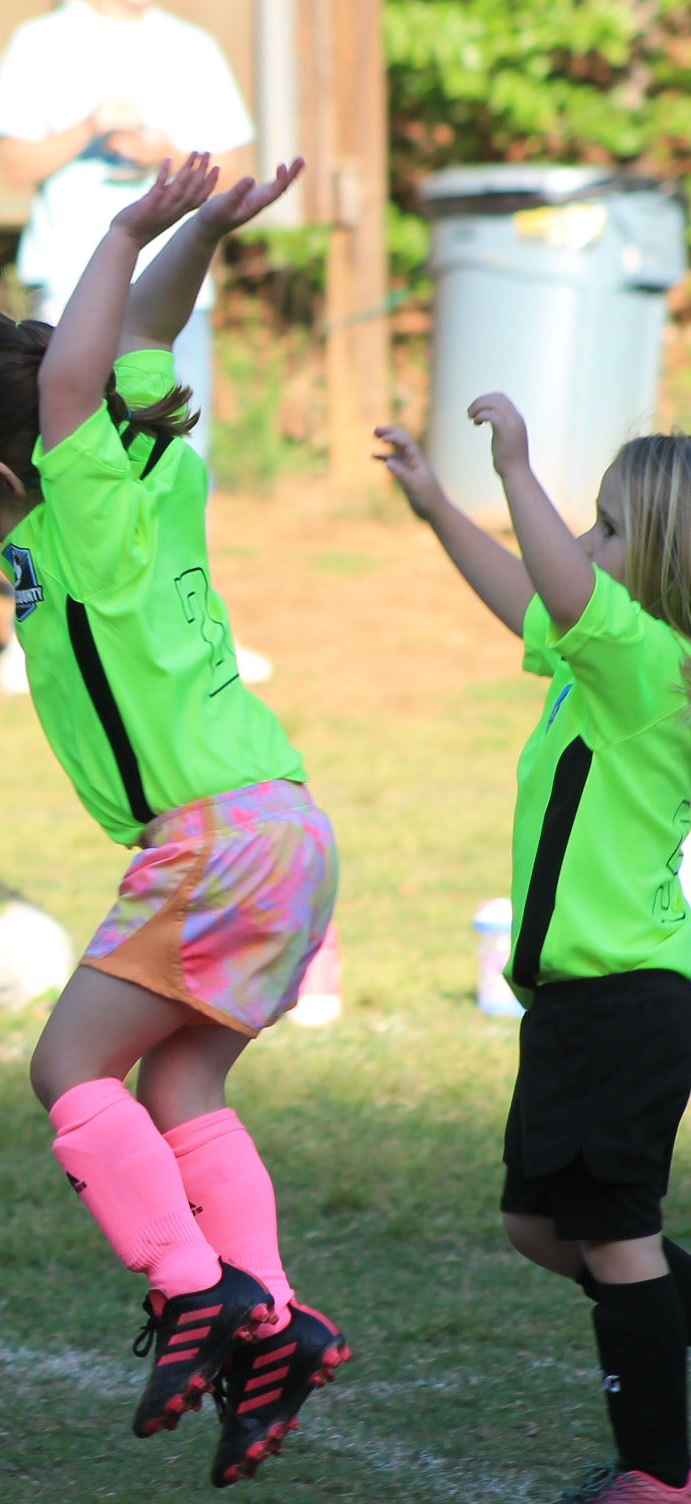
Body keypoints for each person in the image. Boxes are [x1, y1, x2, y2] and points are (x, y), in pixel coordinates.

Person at [0, 153, 349, 1488]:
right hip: (282, 827)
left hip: (211, 838)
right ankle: (271, 1316)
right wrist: (206, 229)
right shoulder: (160, 472)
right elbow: (144, 342)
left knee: (69, 1073)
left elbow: (75, 382)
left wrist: (121, 227)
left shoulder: (90, 504)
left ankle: (193, 1291)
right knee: (182, 1082)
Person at [378, 408, 691, 1504]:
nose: (583, 542)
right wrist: (436, 507)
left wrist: (515, 463)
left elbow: (558, 582)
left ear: (649, 558)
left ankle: (659, 1476)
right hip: (573, 1003)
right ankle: (665, 1375)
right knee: (538, 1225)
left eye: (606, 526)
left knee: (613, 1233)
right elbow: (527, 590)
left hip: (630, 997)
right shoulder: (604, 663)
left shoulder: (655, 667)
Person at [0, 0, 267, 694]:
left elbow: (235, 166)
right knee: (54, 453)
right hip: (66, 289)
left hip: (174, 296)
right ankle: (40, 621)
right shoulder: (40, 41)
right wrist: (88, 130)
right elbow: (14, 162)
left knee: (176, 460)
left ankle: (190, 621)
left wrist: (159, 153)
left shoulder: (191, 46)